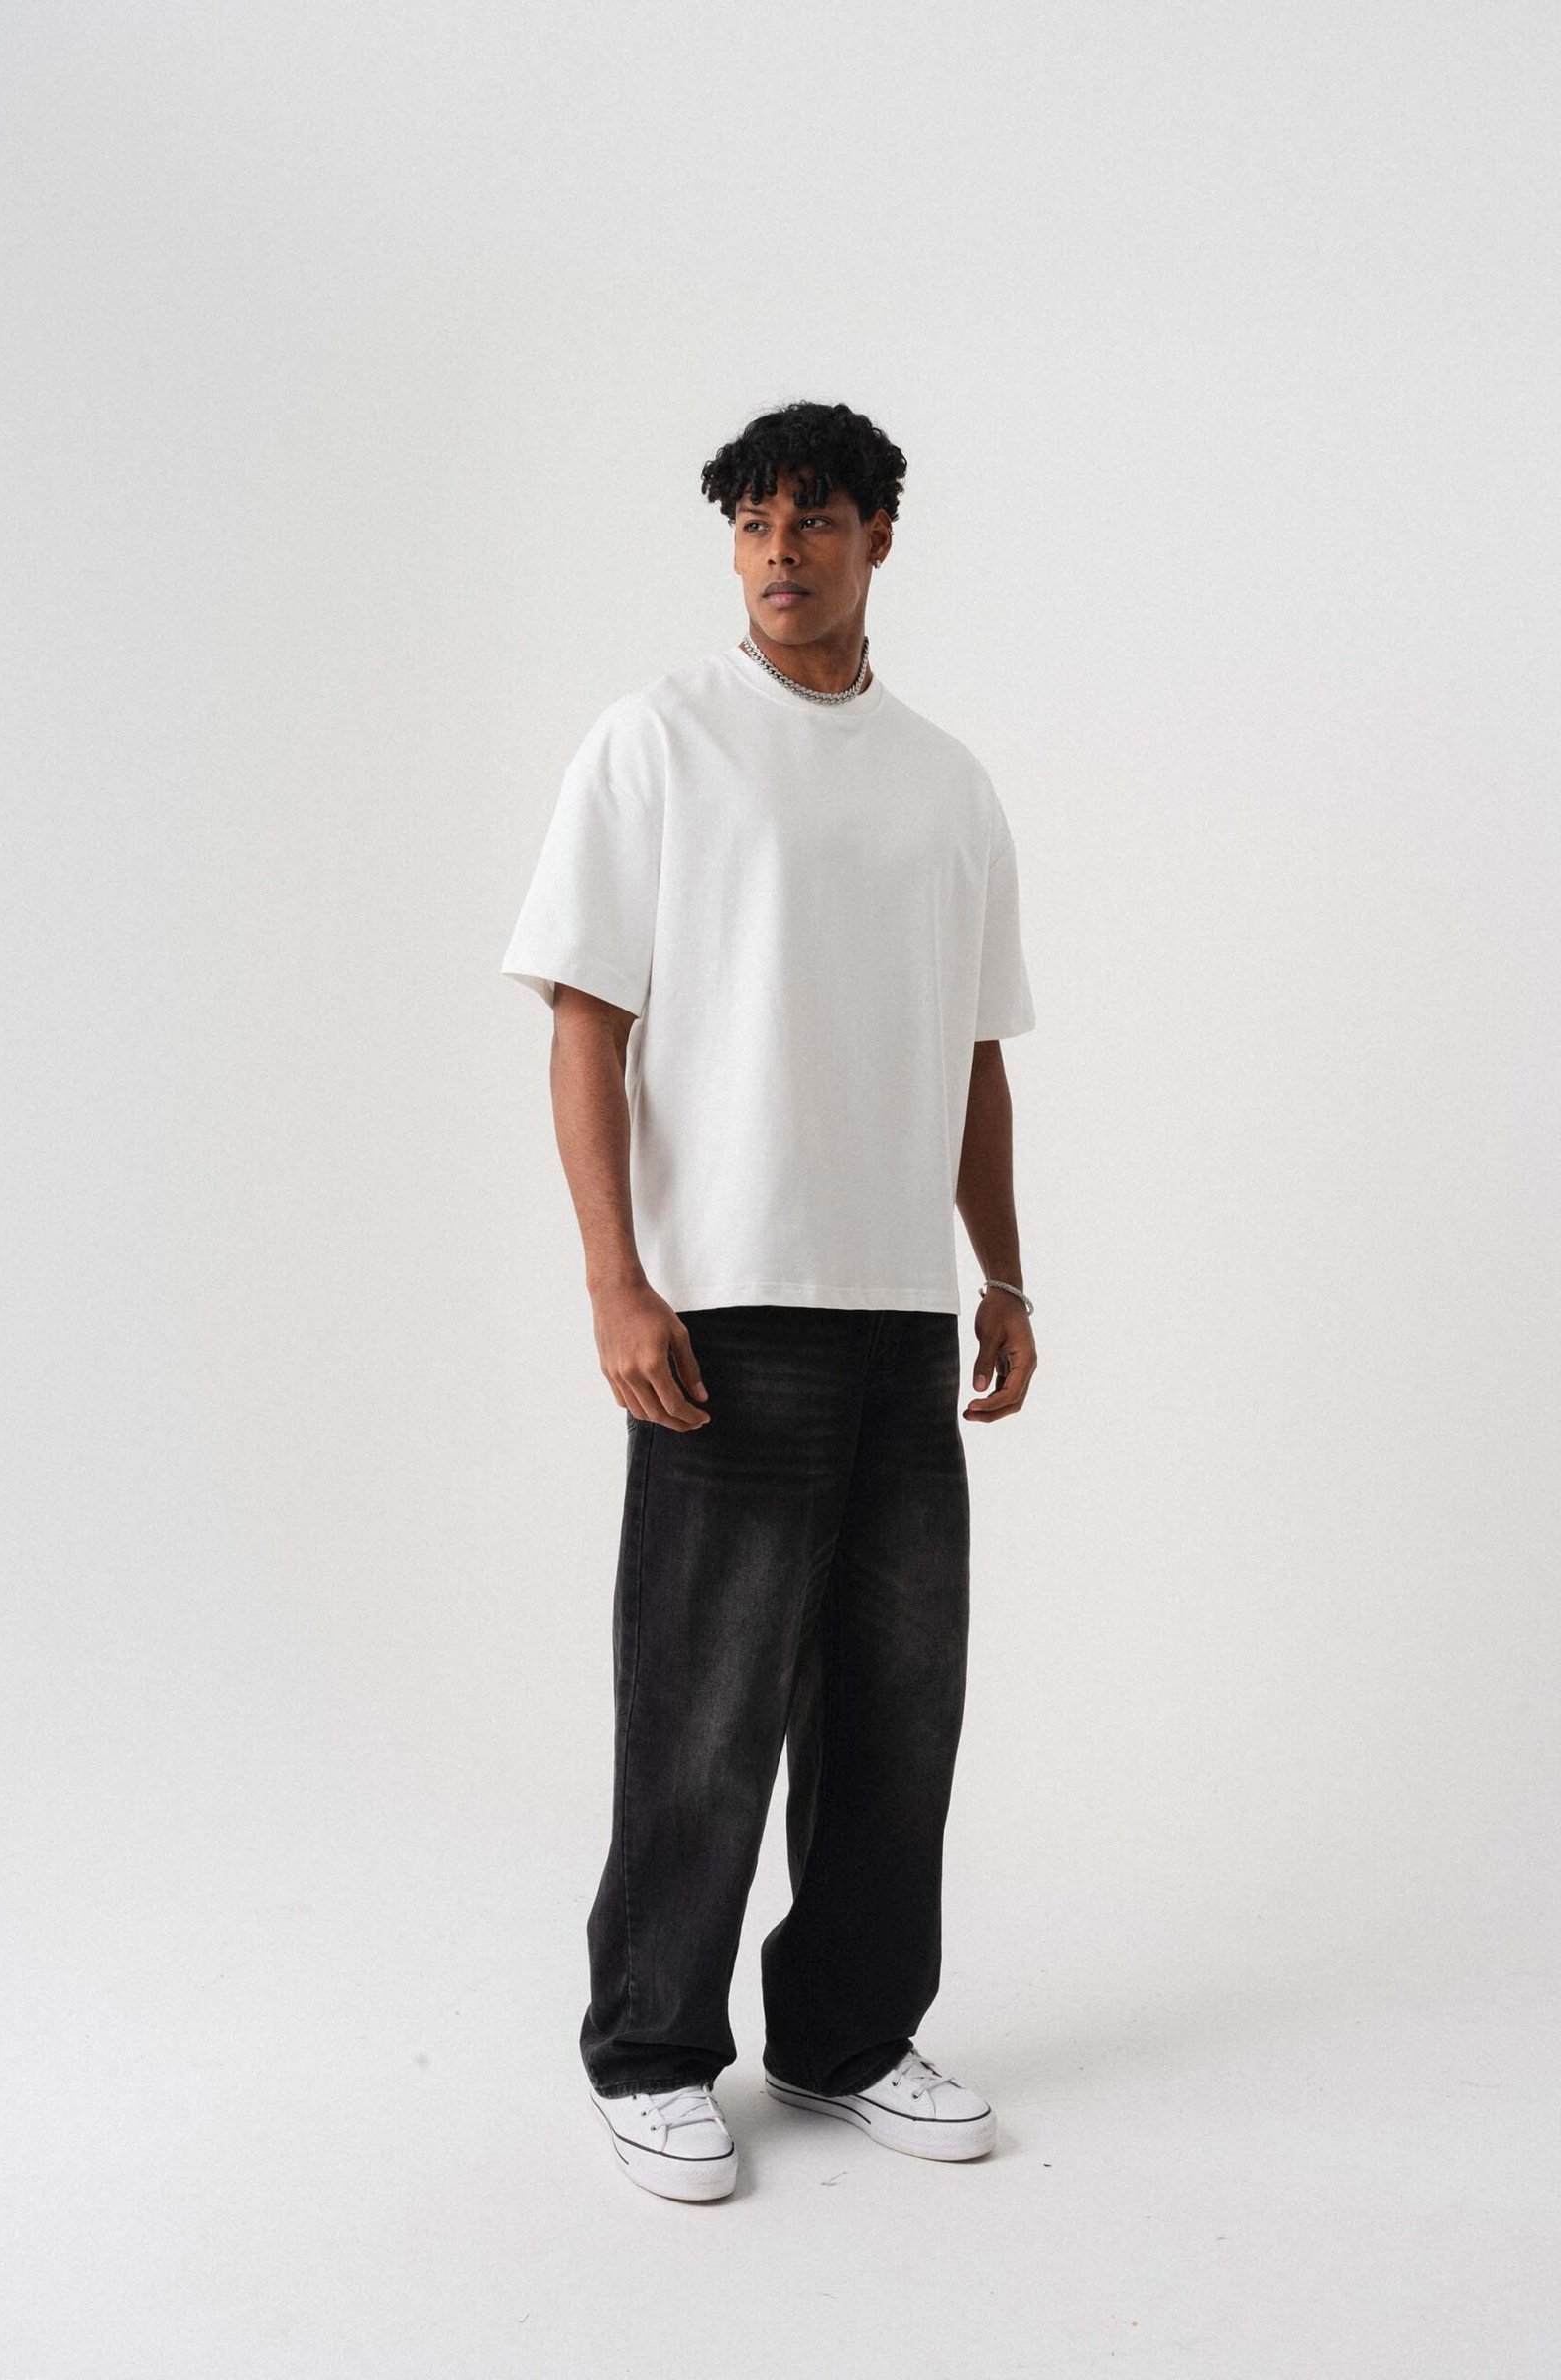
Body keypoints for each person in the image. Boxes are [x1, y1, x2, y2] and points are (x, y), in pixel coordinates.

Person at [499, 399, 1037, 2202]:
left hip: (898, 1306)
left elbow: (974, 1054)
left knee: (898, 1707)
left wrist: (1003, 1270)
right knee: (703, 1701)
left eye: (814, 516)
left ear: (880, 534)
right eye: (751, 520)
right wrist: (615, 1278)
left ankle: (847, 2035)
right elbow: (587, 1019)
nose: (779, 550)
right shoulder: (660, 742)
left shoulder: (947, 783)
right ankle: (650, 2049)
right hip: (724, 1300)